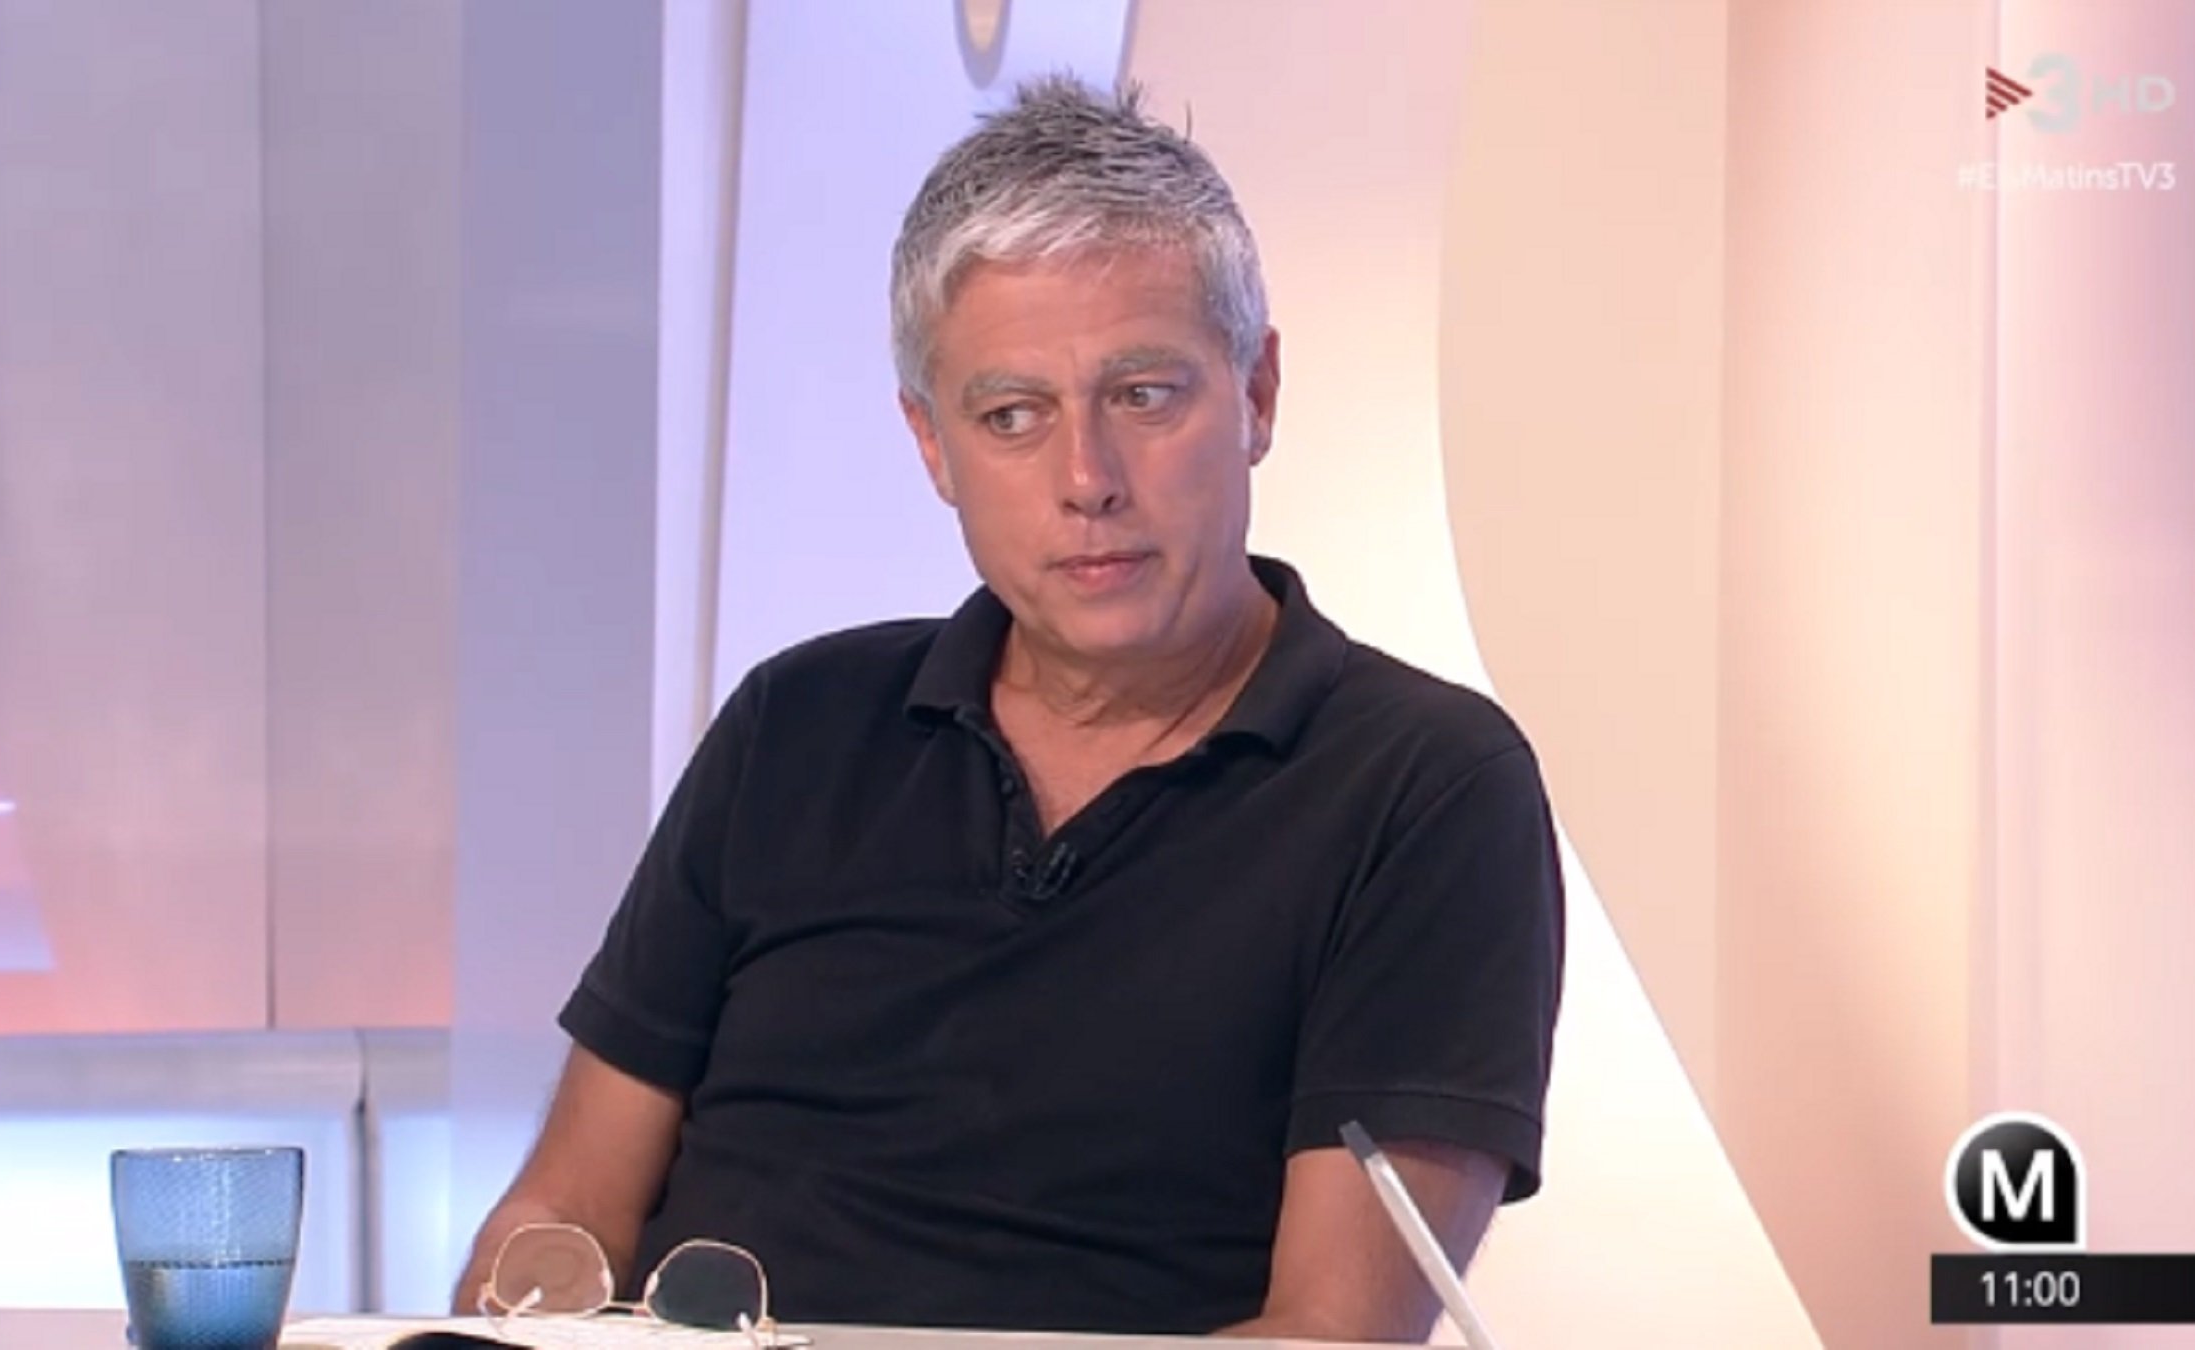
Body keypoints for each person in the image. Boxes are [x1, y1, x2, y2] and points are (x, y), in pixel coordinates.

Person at [455, 74, 1563, 1342]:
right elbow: (564, 1213)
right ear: (933, 445)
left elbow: (1329, 1338)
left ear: (1257, 394)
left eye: (1144, 395)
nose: (1087, 479)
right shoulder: (794, 724)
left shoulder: (1424, 787)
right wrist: (512, 1320)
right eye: (1013, 416)